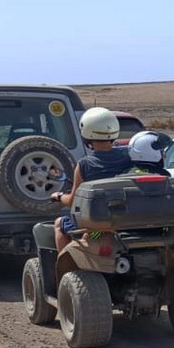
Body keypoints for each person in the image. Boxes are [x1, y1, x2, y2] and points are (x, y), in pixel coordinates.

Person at [51, 107, 132, 251]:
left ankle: (66, 269)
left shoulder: (84, 165)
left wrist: (59, 196)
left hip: (98, 222)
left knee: (59, 224)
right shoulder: (128, 157)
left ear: (86, 132)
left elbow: (72, 202)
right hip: (126, 218)